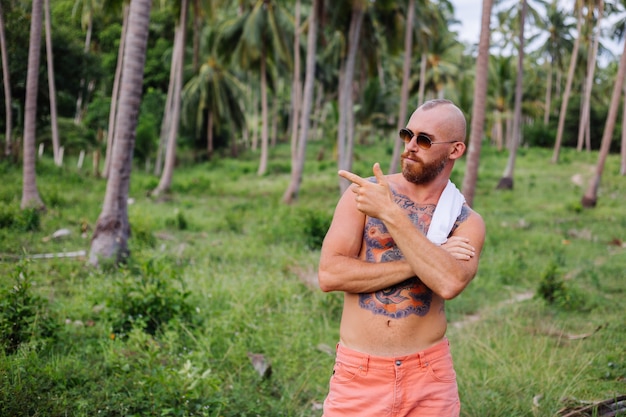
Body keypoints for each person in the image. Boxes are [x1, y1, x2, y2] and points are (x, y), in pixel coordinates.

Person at [318, 99, 486, 417]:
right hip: (359, 375)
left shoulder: (465, 221)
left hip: (429, 378)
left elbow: (449, 281)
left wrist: (391, 214)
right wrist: (424, 262)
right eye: (407, 134)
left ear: (455, 150)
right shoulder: (364, 195)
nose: (410, 146)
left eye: (424, 140)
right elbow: (330, 275)